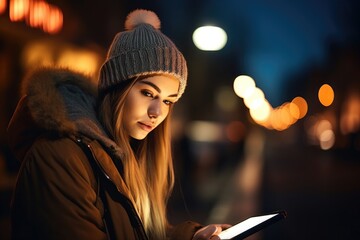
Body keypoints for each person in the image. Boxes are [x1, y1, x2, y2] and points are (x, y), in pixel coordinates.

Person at [7, 9, 229, 240]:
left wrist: (191, 236)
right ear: (117, 88)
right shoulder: (60, 156)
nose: (157, 112)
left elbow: (137, 231)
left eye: (167, 101)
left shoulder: (125, 153)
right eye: (147, 92)